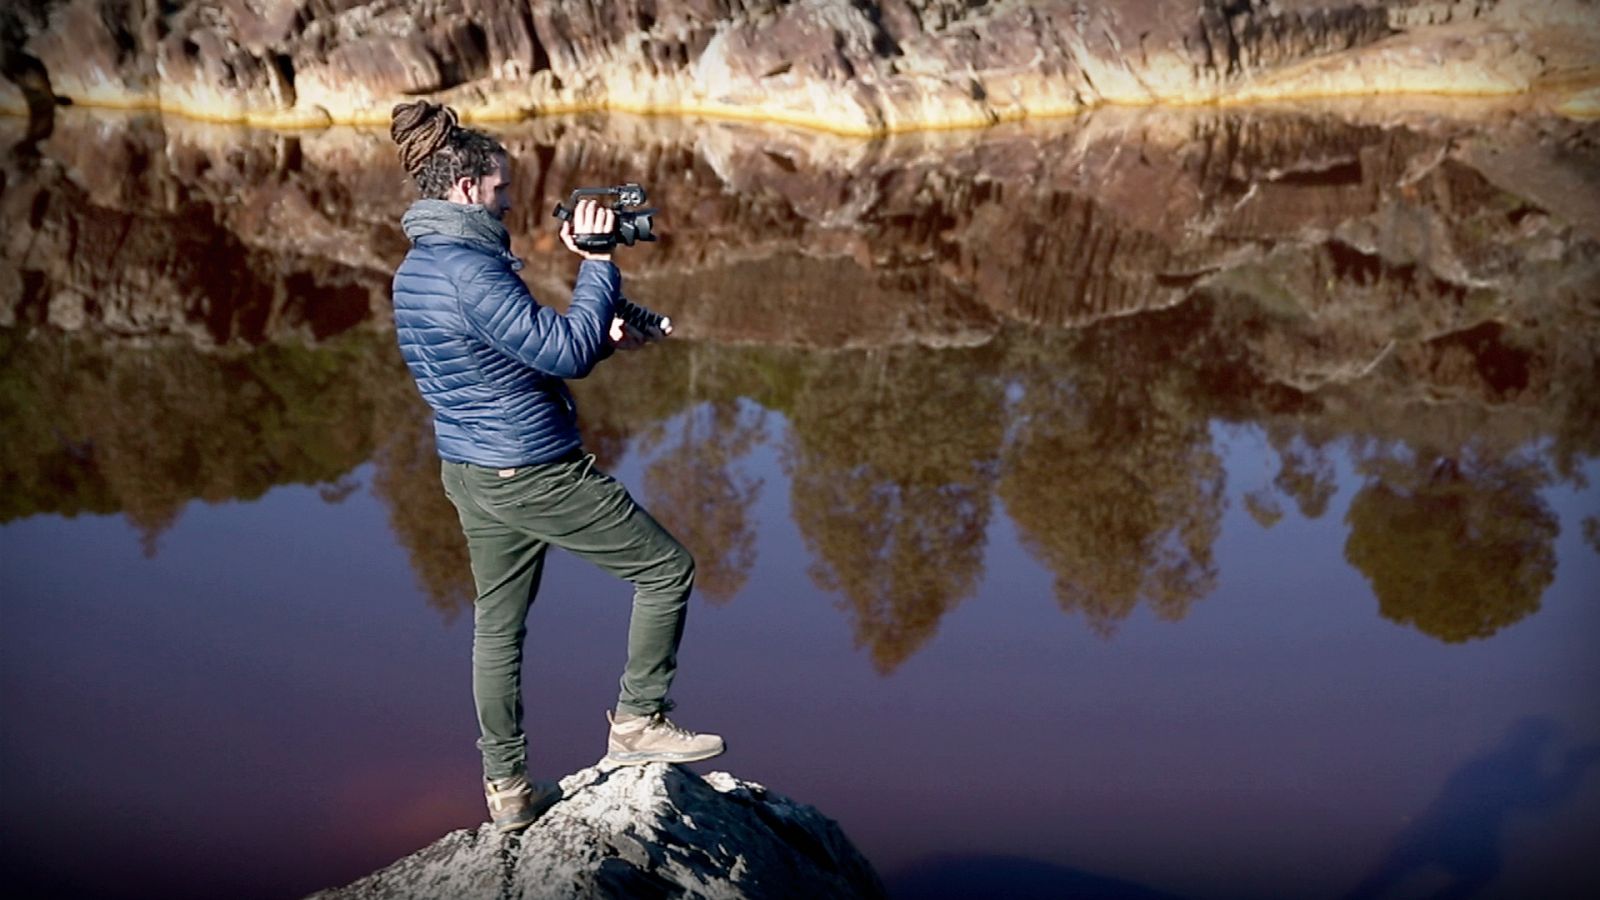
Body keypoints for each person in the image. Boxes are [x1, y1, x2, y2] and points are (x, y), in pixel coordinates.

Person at [387, 101, 724, 833]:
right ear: (470, 188)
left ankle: (507, 788)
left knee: (498, 630)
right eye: (503, 191)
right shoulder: (471, 272)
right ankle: (639, 720)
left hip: (473, 469)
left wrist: (606, 335)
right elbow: (560, 354)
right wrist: (598, 260)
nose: (510, 202)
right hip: (532, 470)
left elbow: (525, 352)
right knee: (666, 571)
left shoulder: (422, 268)